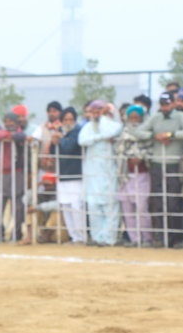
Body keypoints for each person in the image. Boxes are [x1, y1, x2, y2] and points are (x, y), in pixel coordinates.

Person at [135, 92, 183, 247]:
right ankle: (163, 238)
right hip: (156, 166)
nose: (164, 107)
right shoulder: (155, 118)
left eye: (167, 104)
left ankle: (177, 239)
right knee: (159, 203)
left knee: (174, 203)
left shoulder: (181, 117)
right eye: (162, 104)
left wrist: (170, 135)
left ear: (173, 104)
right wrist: (155, 135)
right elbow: (138, 131)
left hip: (174, 166)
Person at [78, 101, 124, 246]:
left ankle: (109, 239)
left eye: (100, 112)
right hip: (92, 174)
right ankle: (97, 238)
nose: (97, 115)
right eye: (95, 113)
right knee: (93, 207)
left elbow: (107, 133)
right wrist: (98, 138)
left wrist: (104, 118)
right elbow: (82, 141)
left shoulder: (115, 126)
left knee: (110, 207)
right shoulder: (88, 127)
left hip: (109, 173)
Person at [114, 105, 154, 246]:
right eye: (131, 118)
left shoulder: (147, 134)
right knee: (128, 210)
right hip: (125, 175)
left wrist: (141, 157)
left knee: (142, 208)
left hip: (142, 175)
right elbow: (118, 151)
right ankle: (134, 239)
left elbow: (151, 150)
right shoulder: (122, 134)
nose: (134, 121)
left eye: (137, 118)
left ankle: (147, 238)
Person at [0, 109, 28, 243]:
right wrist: (8, 135)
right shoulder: (3, 132)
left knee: (17, 207)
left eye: (11, 121)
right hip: (1, 173)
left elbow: (21, 136)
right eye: (6, 121)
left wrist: (11, 136)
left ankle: (15, 234)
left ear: (16, 122)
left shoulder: (20, 133)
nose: (8, 123)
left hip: (16, 173)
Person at [51, 107, 86, 244]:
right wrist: (55, 141)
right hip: (62, 174)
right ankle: (74, 237)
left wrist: (60, 139)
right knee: (65, 206)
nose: (68, 122)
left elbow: (69, 148)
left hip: (75, 175)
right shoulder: (60, 132)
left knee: (76, 206)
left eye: (71, 119)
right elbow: (53, 152)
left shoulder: (78, 131)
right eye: (65, 120)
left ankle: (81, 237)